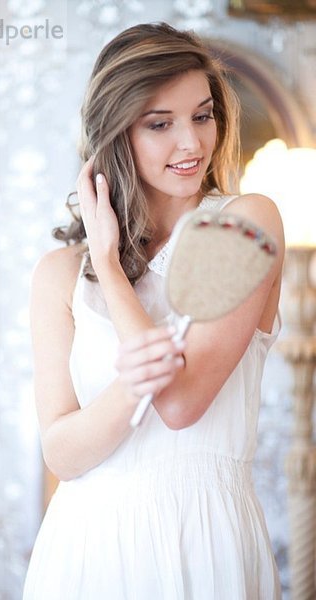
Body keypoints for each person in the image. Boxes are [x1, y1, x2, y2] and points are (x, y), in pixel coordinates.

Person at [23, 22, 284, 600]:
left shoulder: (244, 222)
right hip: (85, 547)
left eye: (202, 115)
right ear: (116, 134)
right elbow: (63, 453)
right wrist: (99, 264)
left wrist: (111, 270)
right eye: (160, 124)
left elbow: (180, 402)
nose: (191, 143)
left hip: (204, 539)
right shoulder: (59, 274)